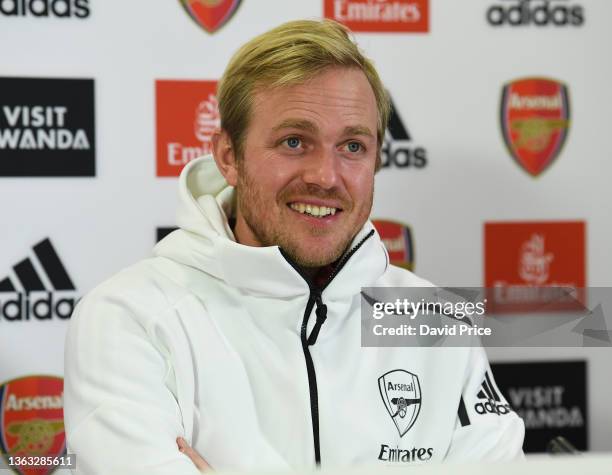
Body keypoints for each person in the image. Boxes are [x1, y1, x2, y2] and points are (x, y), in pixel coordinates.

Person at [64, 19, 524, 474]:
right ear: (228, 156)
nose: (325, 176)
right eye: (294, 141)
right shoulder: (129, 318)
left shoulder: (429, 317)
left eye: (352, 146)